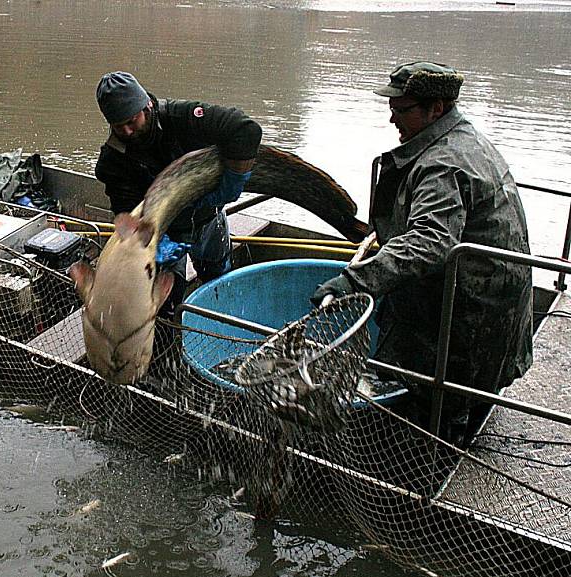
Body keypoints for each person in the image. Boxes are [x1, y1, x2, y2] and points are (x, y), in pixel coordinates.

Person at [311, 61, 533, 444]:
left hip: (471, 312)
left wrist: (354, 279)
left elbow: (429, 242)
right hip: (491, 299)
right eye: (392, 106)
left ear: (437, 109)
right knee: (467, 389)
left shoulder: (443, 164)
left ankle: (433, 454)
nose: (392, 117)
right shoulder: (462, 137)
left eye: (402, 108)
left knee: (442, 405)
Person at [94, 71, 262, 318]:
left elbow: (246, 130)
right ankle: (173, 343)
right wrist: (152, 243)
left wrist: (234, 180)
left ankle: (221, 321)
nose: (128, 131)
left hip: (207, 219)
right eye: (119, 127)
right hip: (167, 233)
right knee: (167, 306)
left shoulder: (182, 118)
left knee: (219, 280)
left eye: (132, 121)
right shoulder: (113, 161)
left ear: (147, 106)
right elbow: (125, 211)